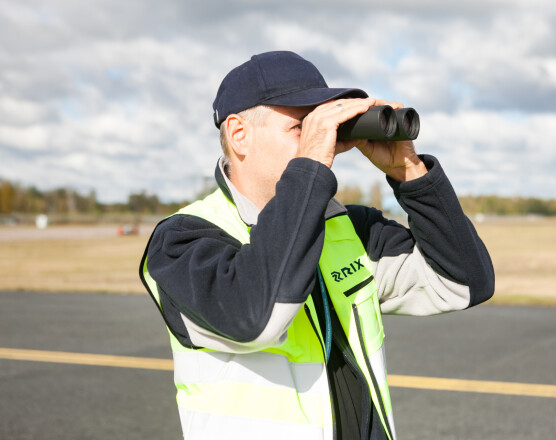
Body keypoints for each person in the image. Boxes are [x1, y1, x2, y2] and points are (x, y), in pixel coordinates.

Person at [140, 50, 495, 440]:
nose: (324, 141)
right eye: (302, 127)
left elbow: (462, 284)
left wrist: (409, 174)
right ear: (239, 134)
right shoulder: (181, 241)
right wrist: (309, 166)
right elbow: (257, 318)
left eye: (325, 124)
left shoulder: (347, 229)